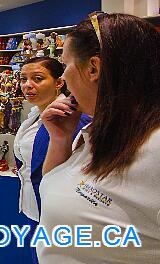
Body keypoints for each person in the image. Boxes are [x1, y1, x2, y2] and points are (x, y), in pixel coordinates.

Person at [38, 13, 160, 263]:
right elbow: (51, 186)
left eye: (64, 66)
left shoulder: (154, 148)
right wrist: (60, 140)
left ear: (93, 68)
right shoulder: (97, 132)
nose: (62, 80)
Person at [14, 57, 89, 263]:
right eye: (23, 79)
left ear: (59, 83)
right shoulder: (35, 115)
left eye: (37, 78)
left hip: (54, 213)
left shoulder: (71, 118)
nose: (27, 85)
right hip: (32, 206)